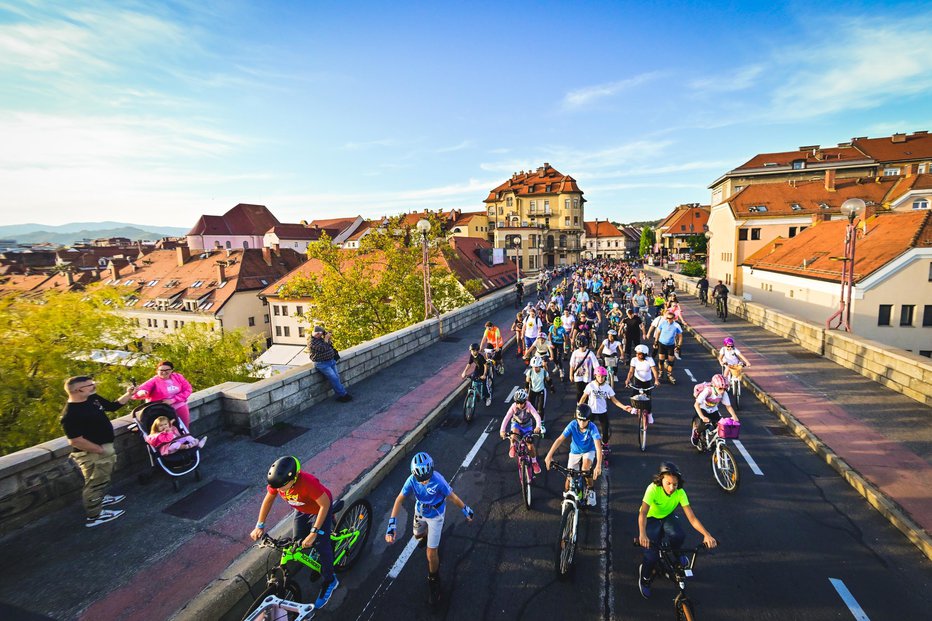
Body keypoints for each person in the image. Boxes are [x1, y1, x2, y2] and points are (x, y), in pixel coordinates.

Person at [386, 452, 474, 605]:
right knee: (418, 536)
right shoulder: (412, 480)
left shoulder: (438, 480)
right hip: (420, 512)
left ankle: (433, 579)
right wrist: (391, 525)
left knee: (430, 552)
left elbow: (452, 497)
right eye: (421, 480)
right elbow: (399, 499)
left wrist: (466, 510)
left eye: (427, 478)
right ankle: (425, 535)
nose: (425, 482)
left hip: (436, 516)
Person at [251, 456, 340, 609]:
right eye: (277, 488)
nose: (279, 491)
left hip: (319, 509)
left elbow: (324, 505)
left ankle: (330, 580)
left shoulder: (308, 483)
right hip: (302, 509)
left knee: (321, 545)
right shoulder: (279, 482)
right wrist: (259, 525)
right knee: (298, 540)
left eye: (282, 488)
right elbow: (268, 499)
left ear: (294, 478)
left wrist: (314, 532)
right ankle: (317, 551)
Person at [61, 376, 135, 527]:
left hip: (104, 447)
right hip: (93, 452)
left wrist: (128, 394)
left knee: (103, 478)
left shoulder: (92, 398)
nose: (94, 386)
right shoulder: (70, 414)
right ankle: (95, 515)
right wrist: (100, 450)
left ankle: (101, 498)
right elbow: (75, 440)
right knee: (95, 483)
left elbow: (112, 406)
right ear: (77, 390)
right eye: (90, 385)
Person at [637, 462, 717, 599]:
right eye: (668, 483)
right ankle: (644, 578)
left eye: (675, 484)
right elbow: (643, 513)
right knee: (651, 556)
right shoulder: (652, 489)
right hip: (651, 518)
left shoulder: (680, 492)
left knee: (679, 535)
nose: (672, 488)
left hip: (667, 516)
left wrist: (706, 535)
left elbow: (692, 518)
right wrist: (642, 534)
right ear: (660, 479)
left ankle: (677, 553)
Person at [544, 404, 603, 505]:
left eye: (584, 421)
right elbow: (559, 439)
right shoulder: (572, 425)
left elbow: (598, 447)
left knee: (585, 470)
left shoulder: (593, 428)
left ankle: (591, 489)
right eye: (579, 420)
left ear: (588, 420)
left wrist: (598, 465)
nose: (581, 423)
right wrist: (549, 456)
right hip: (575, 451)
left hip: (588, 450)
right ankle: (567, 495)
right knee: (569, 477)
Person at [578, 366, 632, 456]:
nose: (600, 378)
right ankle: (585, 444)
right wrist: (579, 408)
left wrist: (623, 407)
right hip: (591, 411)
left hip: (602, 411)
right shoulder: (590, 385)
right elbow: (584, 397)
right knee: (586, 428)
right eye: (598, 376)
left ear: (605, 377)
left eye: (602, 376)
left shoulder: (607, 387)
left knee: (605, 429)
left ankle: (605, 445)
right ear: (595, 375)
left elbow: (614, 400)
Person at [132, 361, 194, 427]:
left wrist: (173, 400)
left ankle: (186, 436)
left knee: (184, 426)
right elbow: (141, 390)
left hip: (178, 404)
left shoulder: (178, 377)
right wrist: (142, 393)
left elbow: (188, 389)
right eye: (161, 370)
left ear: (172, 370)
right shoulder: (154, 380)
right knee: (164, 427)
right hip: (161, 408)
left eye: (167, 370)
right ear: (157, 371)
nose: (164, 372)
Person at [500, 389, 543, 472]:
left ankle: (534, 462)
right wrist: (502, 430)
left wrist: (538, 427)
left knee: (530, 445)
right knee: (513, 434)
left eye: (521, 402)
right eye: (517, 402)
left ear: (525, 401)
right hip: (516, 424)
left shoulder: (529, 406)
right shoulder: (513, 406)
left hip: (527, 426)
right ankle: (512, 445)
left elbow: (537, 416)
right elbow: (506, 418)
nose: (519, 404)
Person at [308, 326, 352, 402]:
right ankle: (343, 395)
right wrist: (326, 339)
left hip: (331, 361)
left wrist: (328, 338)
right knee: (334, 378)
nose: (322, 335)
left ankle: (341, 394)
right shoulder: (312, 342)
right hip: (322, 364)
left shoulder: (320, 339)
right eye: (321, 334)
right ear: (317, 334)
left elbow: (330, 344)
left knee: (337, 377)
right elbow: (323, 348)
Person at [692, 374, 739, 446]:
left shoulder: (724, 393)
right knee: (705, 424)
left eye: (724, 389)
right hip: (702, 409)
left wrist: (734, 416)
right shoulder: (708, 390)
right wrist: (702, 417)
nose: (722, 391)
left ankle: (717, 445)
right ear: (714, 386)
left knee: (721, 426)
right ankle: (696, 433)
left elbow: (728, 406)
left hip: (713, 410)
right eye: (720, 389)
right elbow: (696, 404)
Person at [625, 344, 661, 423]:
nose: (637, 355)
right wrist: (628, 379)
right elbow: (631, 371)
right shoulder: (634, 360)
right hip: (637, 380)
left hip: (647, 382)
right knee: (634, 395)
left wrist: (656, 380)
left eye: (640, 354)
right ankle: (634, 407)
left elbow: (654, 371)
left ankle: (650, 414)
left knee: (648, 399)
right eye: (637, 353)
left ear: (644, 354)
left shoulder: (649, 360)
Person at [525, 355, 555, 428]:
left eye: (537, 367)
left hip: (541, 391)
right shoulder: (530, 372)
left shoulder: (544, 372)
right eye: (534, 367)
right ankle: (532, 420)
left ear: (540, 366)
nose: (535, 369)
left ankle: (541, 423)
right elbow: (527, 381)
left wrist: (552, 387)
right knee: (530, 408)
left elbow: (548, 380)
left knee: (540, 409)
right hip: (532, 391)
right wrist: (526, 391)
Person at [653, 312, 683, 384]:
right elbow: (658, 332)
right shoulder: (663, 323)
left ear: (673, 318)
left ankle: (669, 374)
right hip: (662, 344)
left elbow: (680, 336)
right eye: (667, 318)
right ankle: (661, 372)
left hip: (671, 345)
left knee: (671, 361)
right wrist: (656, 341)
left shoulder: (676, 325)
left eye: (670, 318)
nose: (668, 320)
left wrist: (678, 346)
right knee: (661, 360)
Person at [569, 336, 599, 402]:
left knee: (587, 392)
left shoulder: (590, 354)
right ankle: (579, 406)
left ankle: (586, 406)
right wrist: (571, 375)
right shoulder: (575, 353)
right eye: (580, 347)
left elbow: (596, 365)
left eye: (583, 346)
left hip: (587, 377)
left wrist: (597, 375)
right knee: (579, 392)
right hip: (577, 376)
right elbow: (572, 365)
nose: (582, 348)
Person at [461, 342, 491, 407]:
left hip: (484, 371)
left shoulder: (480, 357)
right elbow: (469, 364)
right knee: (472, 378)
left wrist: (484, 375)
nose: (471, 352)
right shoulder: (472, 356)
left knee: (485, 385)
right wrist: (464, 372)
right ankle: (475, 392)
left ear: (476, 351)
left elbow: (485, 366)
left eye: (472, 351)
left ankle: (488, 398)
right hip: (477, 369)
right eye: (471, 351)